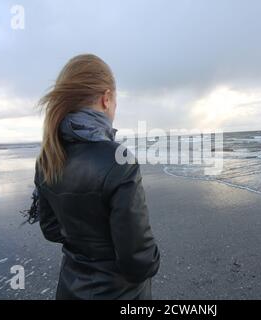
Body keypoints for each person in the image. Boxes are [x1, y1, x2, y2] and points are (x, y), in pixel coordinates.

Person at [25, 54, 160, 299]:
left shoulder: (47, 158)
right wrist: (153, 260)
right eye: (116, 101)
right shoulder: (119, 160)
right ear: (106, 99)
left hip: (69, 288)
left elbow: (51, 229)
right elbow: (138, 261)